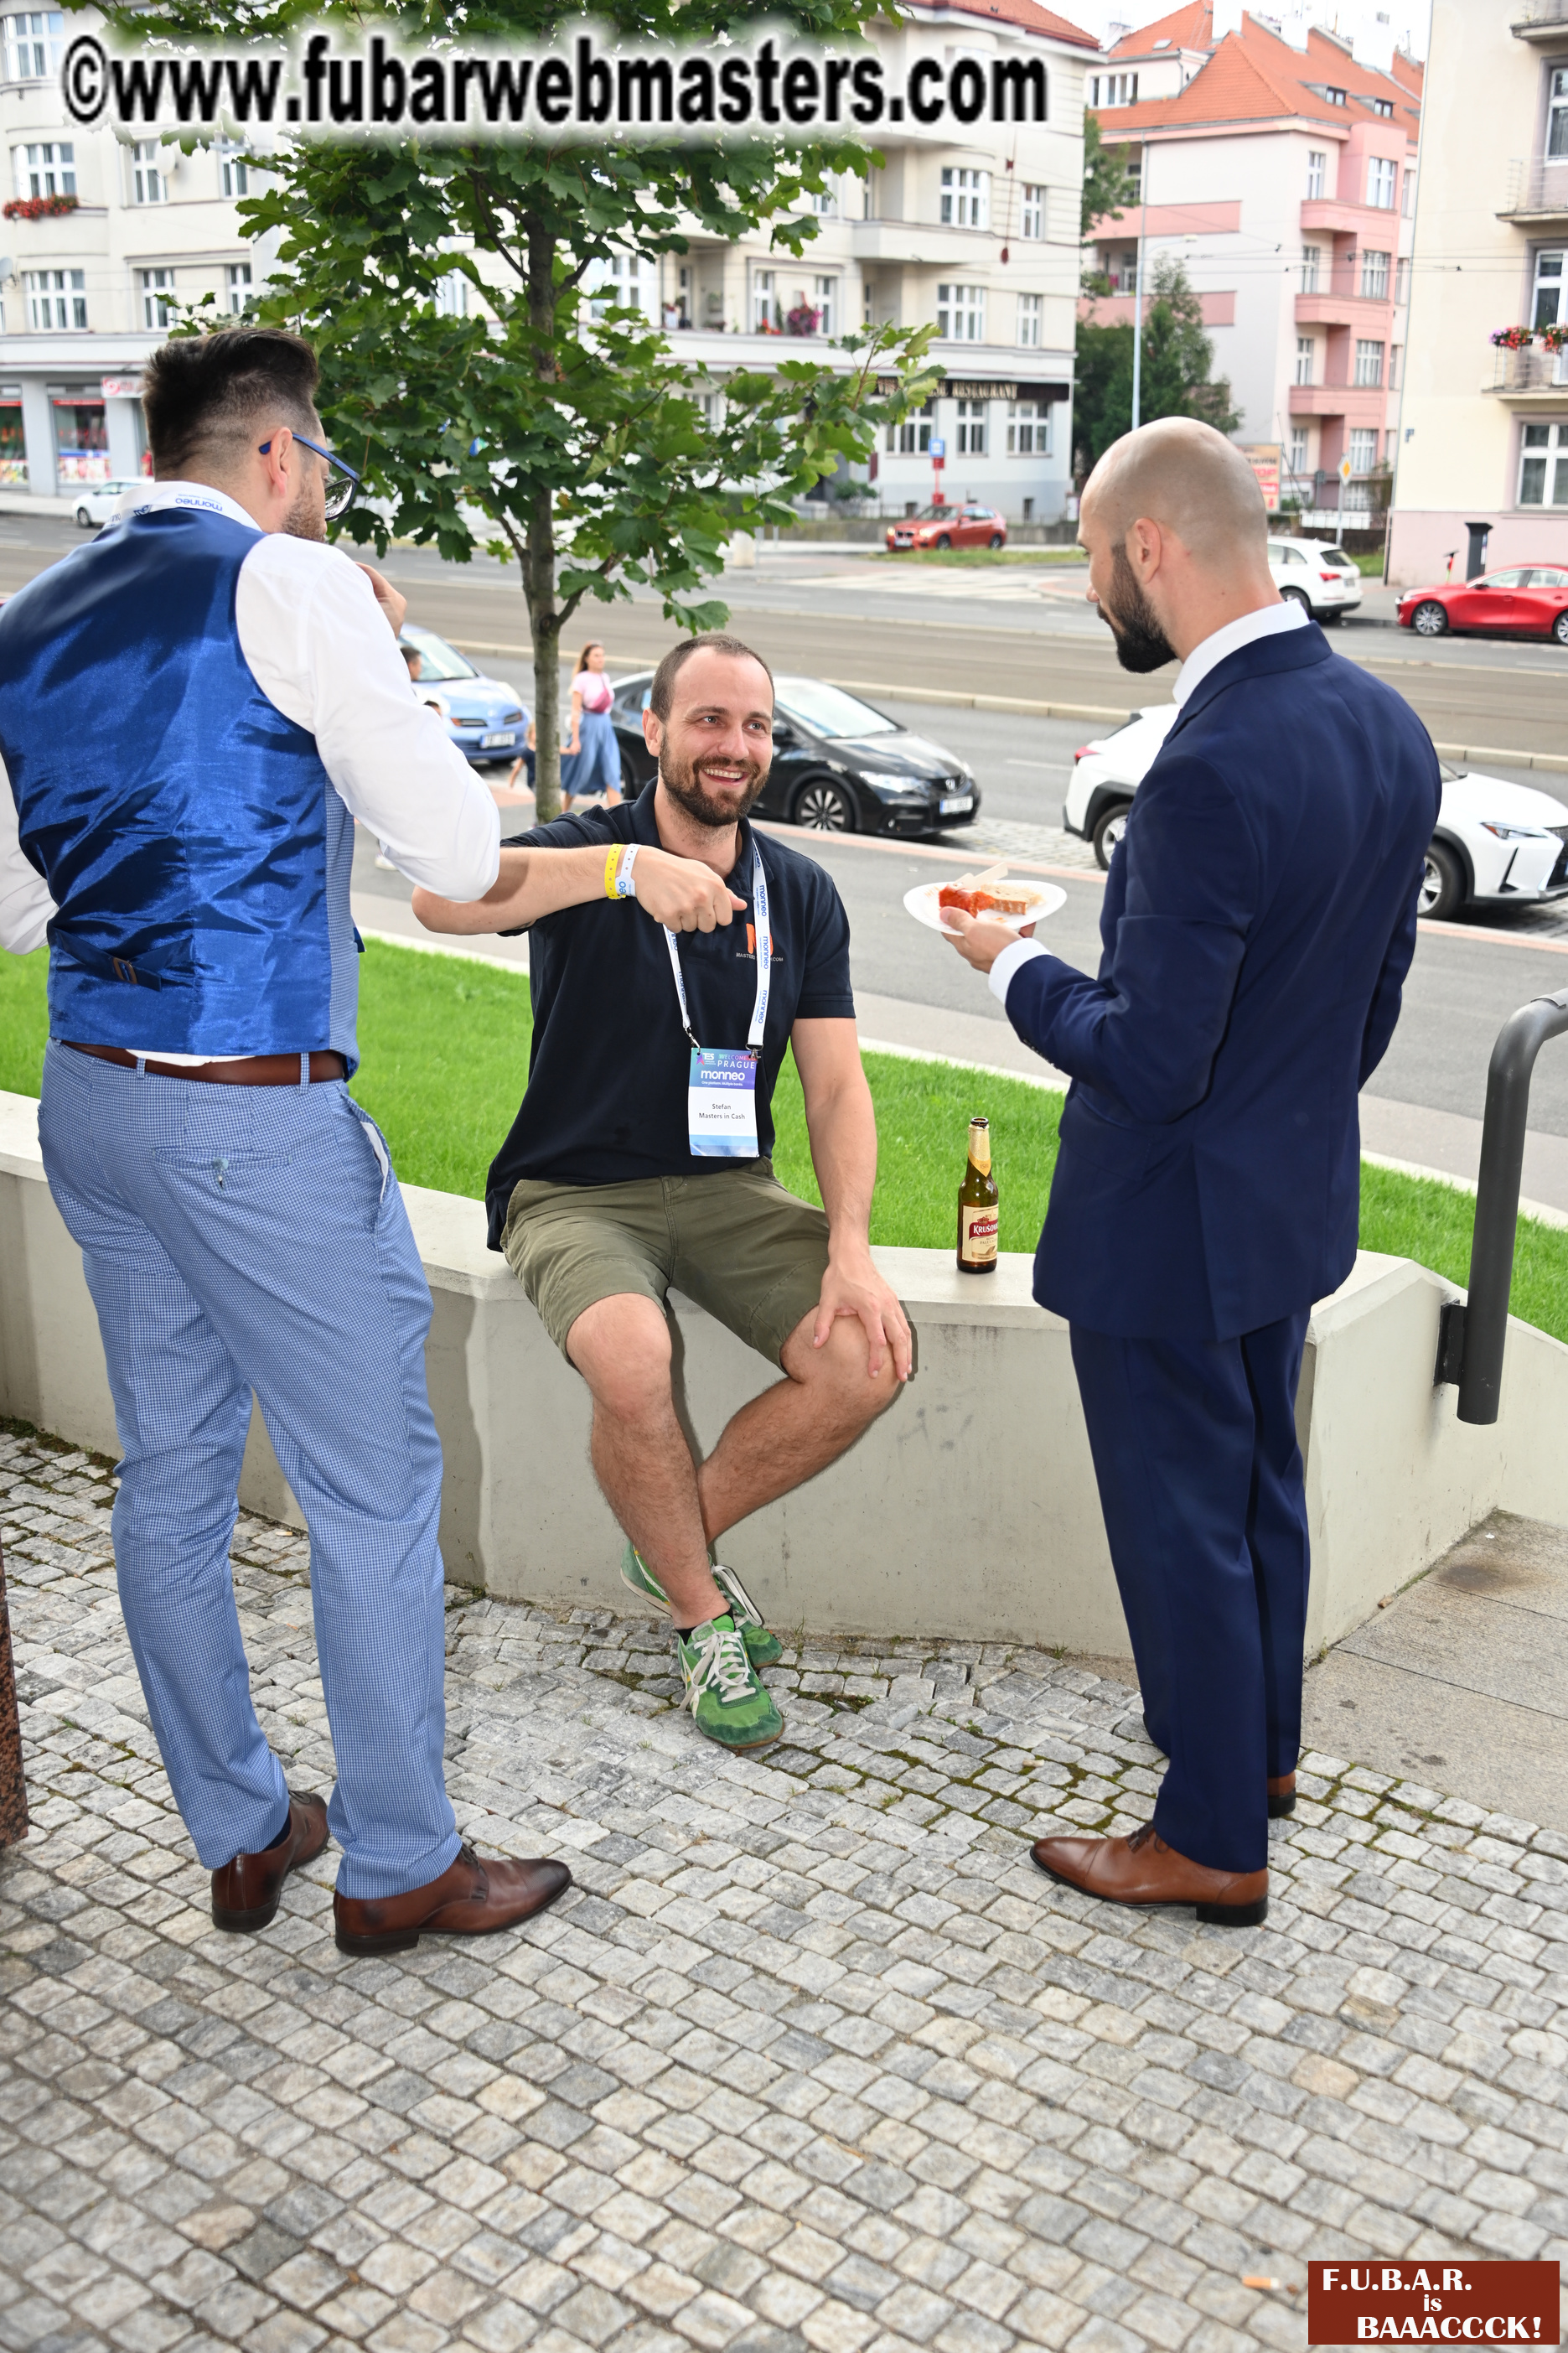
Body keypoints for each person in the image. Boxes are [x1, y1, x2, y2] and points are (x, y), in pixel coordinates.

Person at [0, 328, 571, 1955]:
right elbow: (455, 847)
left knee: (170, 1471)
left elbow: (14, 902)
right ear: (274, 455)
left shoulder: (28, 624)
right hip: (245, 1115)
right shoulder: (297, 584)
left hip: (94, 1098)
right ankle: (397, 1859)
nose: (322, 494)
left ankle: (241, 1827)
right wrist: (367, 660)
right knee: (373, 1482)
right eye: (321, 469)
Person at [947, 417, 1440, 1929]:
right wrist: (1274, 1125)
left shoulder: (1205, 767)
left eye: (1095, 562)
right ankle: (1260, 1751)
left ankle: (1212, 1834)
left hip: (1169, 1226)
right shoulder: (1384, 726)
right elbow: (1373, 998)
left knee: (1182, 1521)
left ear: (1149, 547)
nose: (1095, 593)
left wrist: (1008, 963)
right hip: (1285, 1206)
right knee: (1258, 1494)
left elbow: (1150, 1058)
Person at [412, 632, 912, 1753]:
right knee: (632, 1358)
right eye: (706, 720)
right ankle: (700, 1615)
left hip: (729, 1186)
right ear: (653, 729)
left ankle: (670, 1542)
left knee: (867, 1355)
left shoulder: (799, 892)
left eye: (752, 725)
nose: (732, 746)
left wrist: (851, 1245)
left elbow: (833, 1087)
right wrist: (622, 873)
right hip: (575, 1187)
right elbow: (441, 902)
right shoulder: (591, 847)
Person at [559, 641, 623, 811]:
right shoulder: (581, 679)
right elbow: (575, 712)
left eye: (602, 655)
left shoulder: (605, 678)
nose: (601, 659)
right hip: (589, 728)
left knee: (612, 770)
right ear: (587, 658)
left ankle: (617, 818)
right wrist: (575, 739)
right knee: (581, 770)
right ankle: (562, 812)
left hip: (605, 728)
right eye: (596, 655)